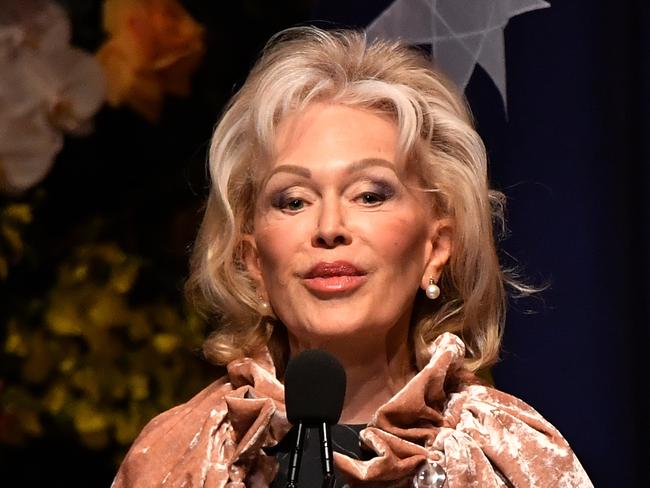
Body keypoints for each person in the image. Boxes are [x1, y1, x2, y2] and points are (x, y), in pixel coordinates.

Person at [112, 27, 593, 487]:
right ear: (253, 260)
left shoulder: (512, 458)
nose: (329, 228)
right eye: (294, 200)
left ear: (436, 248)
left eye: (369, 195)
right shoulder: (177, 456)